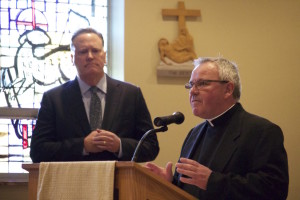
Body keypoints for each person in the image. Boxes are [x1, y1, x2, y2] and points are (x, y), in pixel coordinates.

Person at [145, 57, 289, 199]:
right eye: (191, 85)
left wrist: (212, 182)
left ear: (228, 89)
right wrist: (170, 184)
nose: (193, 91)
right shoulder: (194, 134)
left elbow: (274, 190)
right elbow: (191, 189)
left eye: (202, 84)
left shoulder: (262, 131)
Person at [30, 28, 159, 162]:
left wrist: (119, 145)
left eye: (95, 51)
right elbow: (38, 151)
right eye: (83, 52)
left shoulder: (130, 95)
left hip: (119, 180)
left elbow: (151, 147)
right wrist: (83, 146)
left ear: (104, 57)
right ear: (72, 59)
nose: (90, 56)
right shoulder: (53, 98)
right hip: (72, 180)